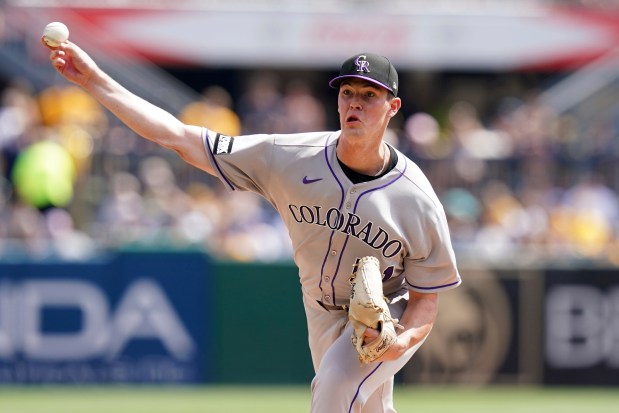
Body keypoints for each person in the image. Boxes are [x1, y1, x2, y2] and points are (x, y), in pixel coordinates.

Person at [46, 41, 462, 412]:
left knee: (334, 388)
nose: (355, 103)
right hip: (318, 307)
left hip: (385, 318)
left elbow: (427, 298)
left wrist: (400, 341)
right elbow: (180, 137)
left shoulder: (416, 198)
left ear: (392, 108)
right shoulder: (287, 156)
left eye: (369, 96)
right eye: (348, 92)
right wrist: (95, 80)